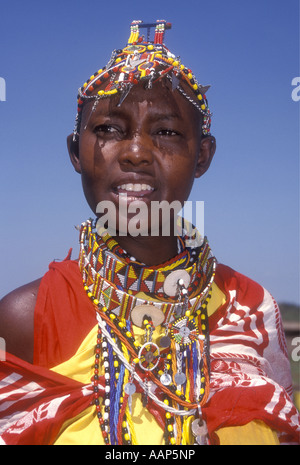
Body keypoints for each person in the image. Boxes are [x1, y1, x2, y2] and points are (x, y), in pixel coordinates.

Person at [0, 20, 299, 446]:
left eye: (167, 132)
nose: (137, 152)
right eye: (108, 129)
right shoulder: (27, 317)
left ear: (202, 156)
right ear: (75, 153)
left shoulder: (251, 309)